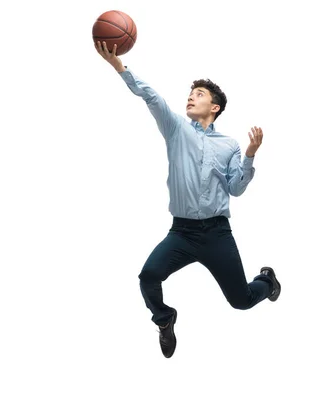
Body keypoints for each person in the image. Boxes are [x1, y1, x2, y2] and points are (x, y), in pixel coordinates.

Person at [95, 41, 281, 358]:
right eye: (190, 93)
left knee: (242, 301)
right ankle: (165, 319)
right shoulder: (176, 129)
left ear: (215, 107)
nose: (191, 97)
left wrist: (249, 155)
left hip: (217, 234)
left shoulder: (230, 144)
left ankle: (268, 281)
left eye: (199, 94)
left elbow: (236, 189)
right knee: (148, 277)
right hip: (181, 232)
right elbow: (152, 97)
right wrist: (119, 67)